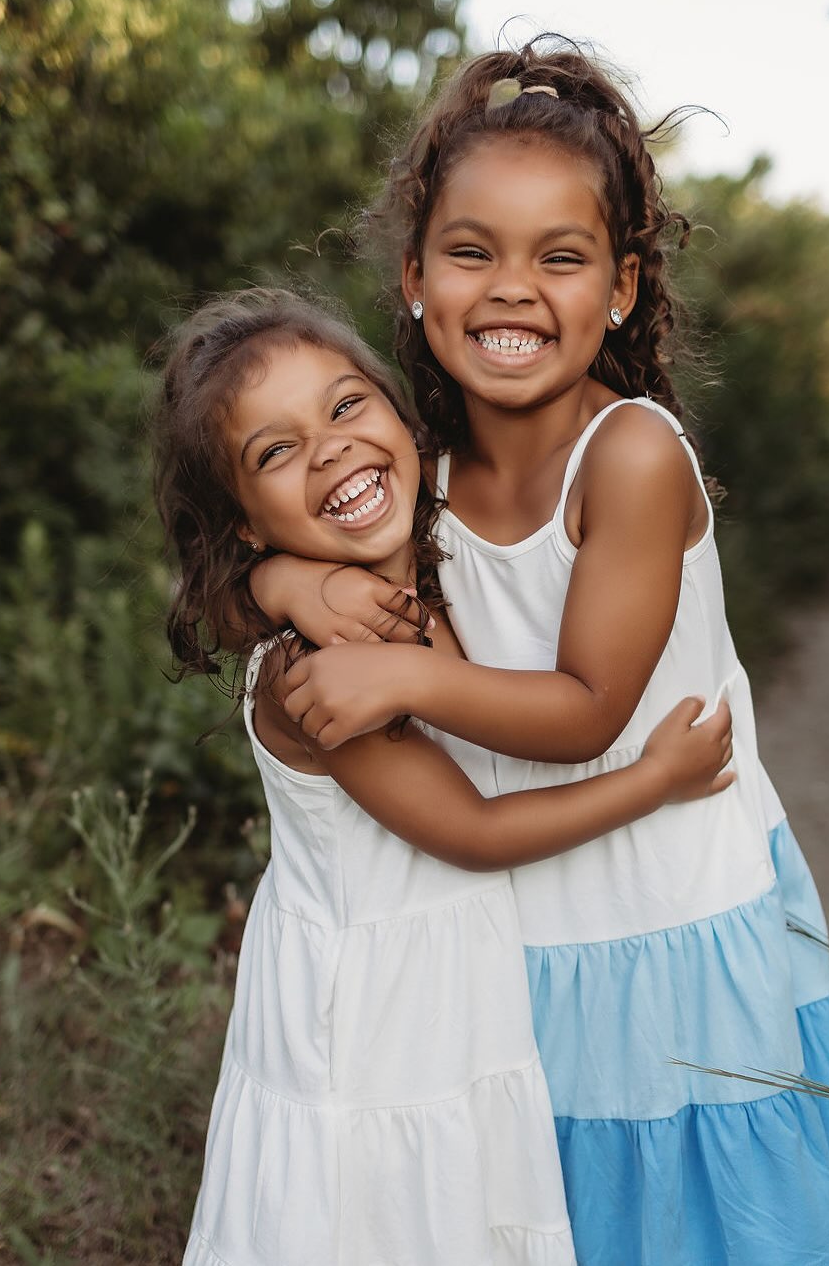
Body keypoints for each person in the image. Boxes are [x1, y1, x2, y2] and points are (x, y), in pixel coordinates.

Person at [272, 42, 829, 1265]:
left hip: (672, 916)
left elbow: (590, 708)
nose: (512, 289)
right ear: (413, 278)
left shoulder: (631, 457)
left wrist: (405, 673)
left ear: (619, 288)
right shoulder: (417, 479)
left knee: (705, 1227)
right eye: (471, 253)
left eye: (558, 258)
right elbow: (274, 528)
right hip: (521, 937)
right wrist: (284, 576)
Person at [152, 287, 735, 1266]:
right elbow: (474, 833)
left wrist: (286, 576)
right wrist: (654, 778)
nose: (330, 449)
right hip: (370, 1029)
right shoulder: (312, 673)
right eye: (276, 451)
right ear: (243, 524)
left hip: (453, 1005)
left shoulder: (427, 561)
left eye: (346, 405)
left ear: (400, 418)